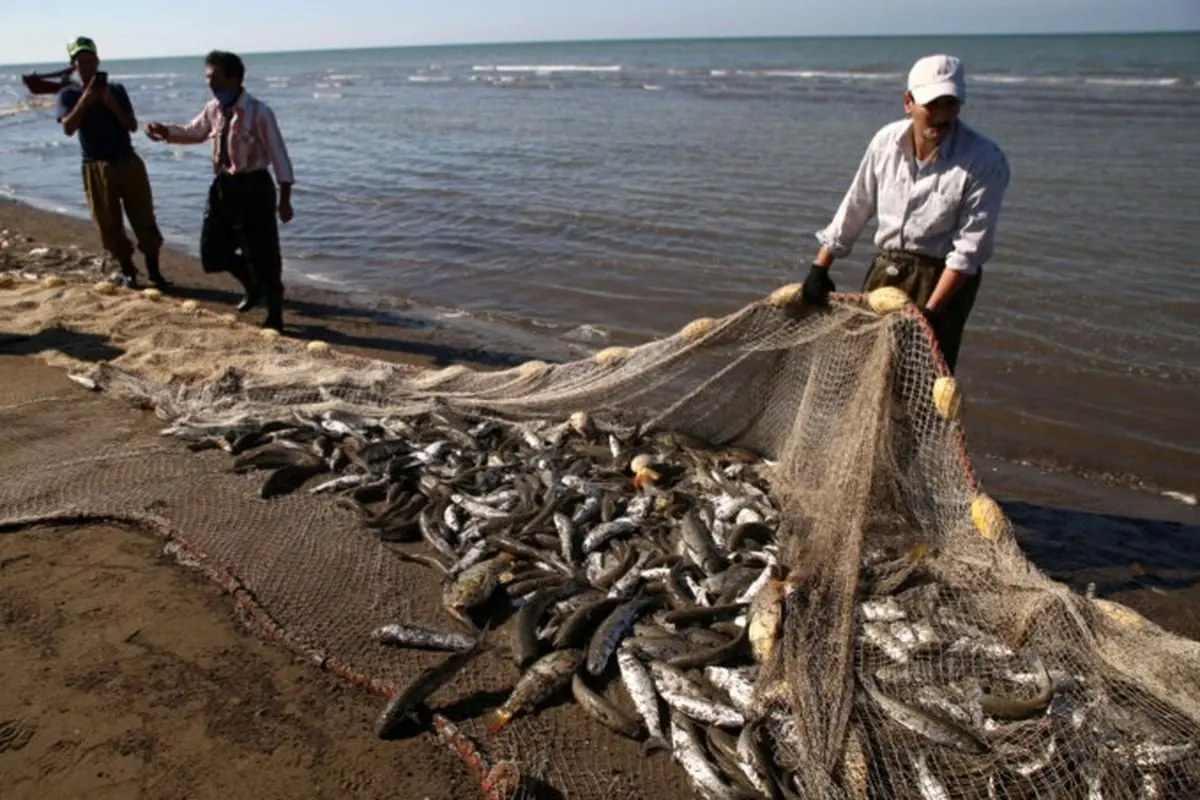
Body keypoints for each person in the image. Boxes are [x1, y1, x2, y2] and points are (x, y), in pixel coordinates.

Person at [802, 54, 1011, 373]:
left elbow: (969, 251)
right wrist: (820, 267)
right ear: (908, 102)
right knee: (866, 366)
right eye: (933, 105)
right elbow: (856, 205)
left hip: (943, 278)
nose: (942, 116)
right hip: (888, 268)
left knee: (922, 379)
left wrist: (931, 314)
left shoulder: (985, 160)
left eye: (950, 104)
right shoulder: (885, 142)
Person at [143, 50, 294, 331]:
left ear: (235, 78)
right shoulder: (214, 108)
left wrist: (285, 200)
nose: (210, 84)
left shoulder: (259, 112)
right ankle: (252, 284)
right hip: (224, 185)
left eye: (215, 78)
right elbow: (196, 132)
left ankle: (275, 315)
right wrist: (166, 132)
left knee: (264, 254)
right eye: (208, 78)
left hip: (254, 187)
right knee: (211, 254)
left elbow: (279, 156)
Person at [55, 36, 167, 289]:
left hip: (127, 160)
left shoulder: (115, 90)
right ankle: (129, 272)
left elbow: (132, 125)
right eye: (80, 61)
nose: (86, 66)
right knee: (109, 225)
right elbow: (68, 128)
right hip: (95, 165)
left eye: (90, 60)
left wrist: (111, 104)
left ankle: (155, 272)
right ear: (73, 65)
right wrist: (86, 101)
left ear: (98, 60)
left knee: (144, 218)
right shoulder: (68, 94)